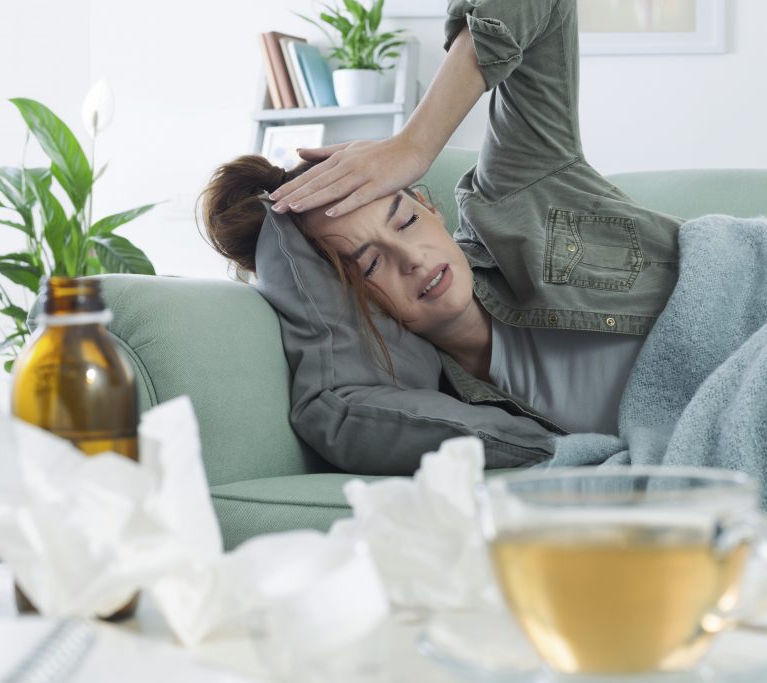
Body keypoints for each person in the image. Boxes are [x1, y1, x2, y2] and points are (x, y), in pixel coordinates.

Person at [202, 0, 682, 435]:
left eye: (406, 222)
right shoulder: (422, 401)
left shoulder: (517, 195)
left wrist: (414, 144)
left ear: (429, 207)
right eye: (370, 265)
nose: (411, 258)